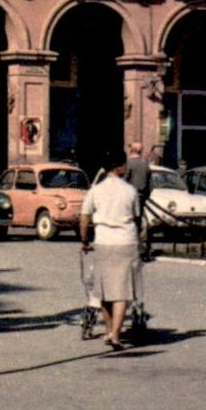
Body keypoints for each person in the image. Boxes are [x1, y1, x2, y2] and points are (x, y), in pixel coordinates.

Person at [78, 149, 145, 349]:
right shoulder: (130, 191)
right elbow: (137, 218)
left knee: (105, 291)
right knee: (123, 291)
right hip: (126, 241)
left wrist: (84, 241)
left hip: (103, 241)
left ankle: (109, 330)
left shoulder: (95, 190)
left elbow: (84, 216)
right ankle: (115, 334)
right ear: (119, 167)